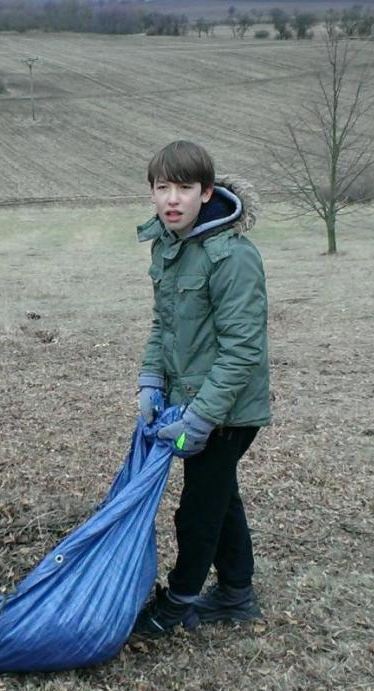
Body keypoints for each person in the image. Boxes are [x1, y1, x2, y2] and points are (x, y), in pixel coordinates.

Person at [131, 140, 271, 635]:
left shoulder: (230, 257)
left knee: (198, 509)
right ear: (151, 192)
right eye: (162, 187)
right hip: (191, 401)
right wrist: (151, 379)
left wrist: (201, 419)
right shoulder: (168, 247)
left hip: (229, 411)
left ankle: (178, 604)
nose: (172, 199)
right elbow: (162, 324)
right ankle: (236, 593)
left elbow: (242, 350)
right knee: (219, 496)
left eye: (185, 188)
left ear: (206, 192)